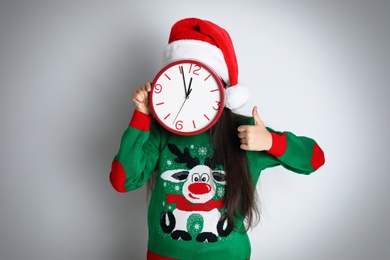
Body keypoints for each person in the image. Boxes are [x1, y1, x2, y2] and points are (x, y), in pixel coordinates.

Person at [110, 18, 325, 260]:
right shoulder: (160, 132)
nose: (188, 96)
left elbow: (314, 158)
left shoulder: (247, 132)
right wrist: (141, 116)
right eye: (181, 87)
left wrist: (271, 142)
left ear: (221, 89)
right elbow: (122, 181)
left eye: (199, 84)